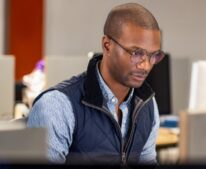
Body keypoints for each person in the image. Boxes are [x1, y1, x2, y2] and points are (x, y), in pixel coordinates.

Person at [27, 3, 165, 165]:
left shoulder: (147, 104)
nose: (146, 66)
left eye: (153, 55)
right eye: (136, 53)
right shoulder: (57, 106)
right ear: (107, 45)